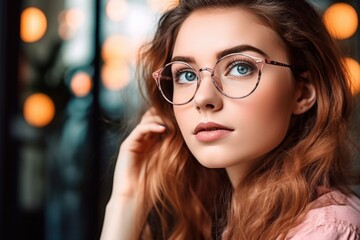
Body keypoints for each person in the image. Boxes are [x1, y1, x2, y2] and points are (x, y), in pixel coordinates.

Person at [100, 0, 360, 239]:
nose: (202, 98)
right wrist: (127, 199)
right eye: (186, 75)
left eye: (240, 67)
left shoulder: (325, 230)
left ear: (302, 92)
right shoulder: (237, 221)